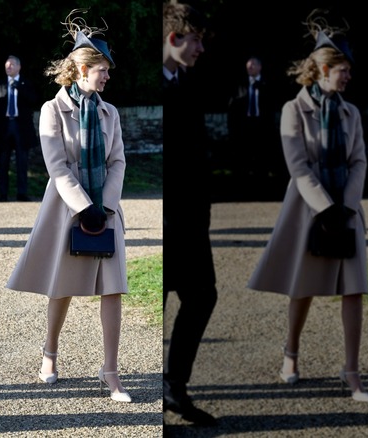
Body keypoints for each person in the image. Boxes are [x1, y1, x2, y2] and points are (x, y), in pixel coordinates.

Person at [6, 9, 131, 404]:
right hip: (66, 208)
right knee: (61, 287)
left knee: (113, 289)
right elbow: (57, 165)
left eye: (107, 71)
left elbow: (118, 161)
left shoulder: (111, 112)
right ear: (82, 69)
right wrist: (83, 205)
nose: (107, 77)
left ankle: (110, 372)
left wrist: (105, 204)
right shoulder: (51, 110)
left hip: (106, 211)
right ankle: (50, 352)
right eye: (102, 70)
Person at [247, 11, 368, 403]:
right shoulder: (293, 110)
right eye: (343, 70)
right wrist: (326, 207)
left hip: (347, 212)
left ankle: (352, 372)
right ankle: (291, 353)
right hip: (308, 211)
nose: (348, 77)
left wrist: (347, 205)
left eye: (349, 70)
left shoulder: (352, 113)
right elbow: (298, 165)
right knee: (302, 288)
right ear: (323, 70)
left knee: (354, 289)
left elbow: (359, 162)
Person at [161, 1, 218, 426]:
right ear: (174, 37)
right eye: (195, 39)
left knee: (202, 296)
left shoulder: (186, 81)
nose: (200, 48)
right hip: (167, 222)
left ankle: (174, 387)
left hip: (192, 221)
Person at [0, 55, 39, 202]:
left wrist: (19, 88)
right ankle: (3, 194)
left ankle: (22, 193)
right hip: (3, 128)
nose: (8, 67)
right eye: (6, 65)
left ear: (19, 67)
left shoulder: (26, 83)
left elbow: (33, 100)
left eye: (11, 65)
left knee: (22, 162)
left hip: (21, 127)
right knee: (3, 162)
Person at [226, 55, 283, 184]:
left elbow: (273, 106)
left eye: (252, 64)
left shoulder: (268, 84)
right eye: (248, 65)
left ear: (260, 67)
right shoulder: (240, 84)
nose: (249, 67)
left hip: (262, 127)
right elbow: (232, 107)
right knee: (243, 157)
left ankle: (261, 183)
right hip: (244, 127)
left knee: (261, 157)